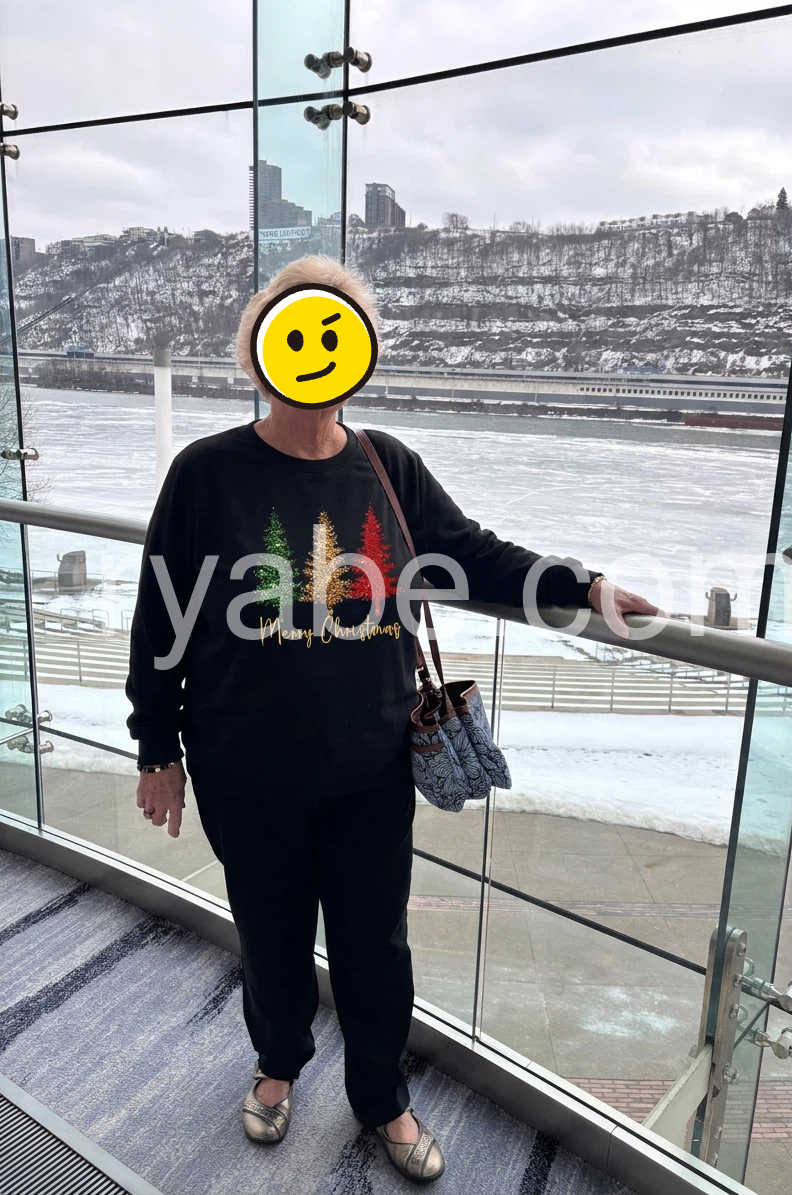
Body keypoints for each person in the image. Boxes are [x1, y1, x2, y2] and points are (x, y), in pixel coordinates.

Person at [126, 255, 661, 1183]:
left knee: (376, 944)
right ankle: (277, 1064)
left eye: (337, 330)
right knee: (270, 933)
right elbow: (160, 618)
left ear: (360, 350)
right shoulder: (206, 473)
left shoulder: (388, 466)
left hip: (371, 766)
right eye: (297, 331)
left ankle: (382, 1097)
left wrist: (585, 586)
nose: (317, 351)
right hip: (245, 768)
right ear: (261, 351)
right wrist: (155, 746)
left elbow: (471, 554)